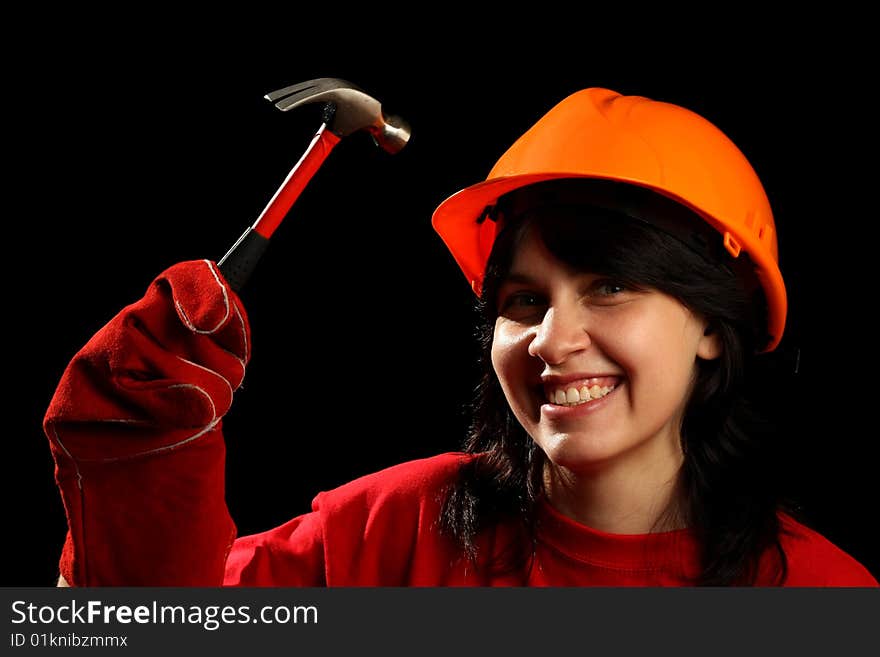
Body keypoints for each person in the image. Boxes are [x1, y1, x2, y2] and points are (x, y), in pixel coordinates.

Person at [46, 86, 877, 587]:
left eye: (611, 286)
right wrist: (138, 483)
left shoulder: (818, 596)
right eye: (522, 300)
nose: (553, 339)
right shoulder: (382, 535)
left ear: (710, 323)